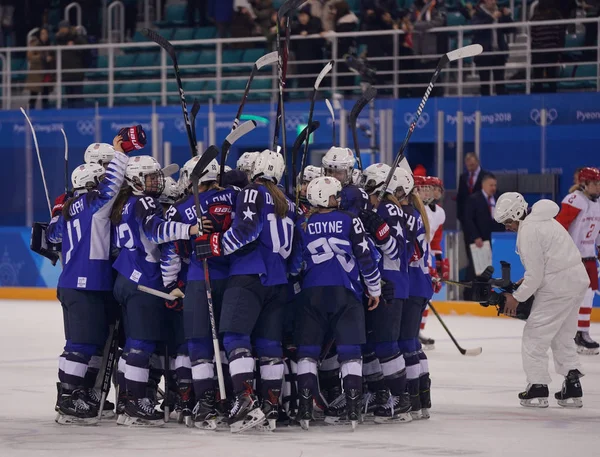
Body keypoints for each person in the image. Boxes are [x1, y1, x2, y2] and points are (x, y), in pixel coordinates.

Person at [194, 149, 297, 433]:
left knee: (236, 338)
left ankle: (245, 402)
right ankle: (271, 407)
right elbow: (296, 255)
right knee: (268, 347)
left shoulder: (253, 192)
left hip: (248, 274)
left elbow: (247, 230)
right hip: (278, 281)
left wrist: (214, 244)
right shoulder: (289, 203)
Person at [111, 156, 199, 426]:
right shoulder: (145, 202)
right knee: (142, 345)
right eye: (149, 177)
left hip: (124, 277)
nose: (156, 180)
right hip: (144, 283)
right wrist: (190, 228)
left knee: (132, 345)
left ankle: (126, 402)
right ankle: (137, 403)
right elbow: (157, 231)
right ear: (136, 179)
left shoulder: (123, 203)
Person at [46, 136, 129, 425]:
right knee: (80, 345)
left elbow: (51, 236)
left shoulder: (68, 208)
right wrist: (120, 154)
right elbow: (111, 188)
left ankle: (79, 393)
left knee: (88, 343)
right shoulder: (94, 204)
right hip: (86, 284)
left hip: (73, 284)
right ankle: (68, 398)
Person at [295, 176, 381, 430]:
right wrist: (374, 288)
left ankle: (304, 407)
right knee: (350, 351)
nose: (339, 199)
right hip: (346, 292)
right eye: (335, 195)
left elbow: (295, 264)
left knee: (307, 352)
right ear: (325, 197)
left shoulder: (303, 222)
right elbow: (366, 257)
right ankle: (354, 407)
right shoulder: (349, 220)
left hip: (311, 293)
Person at [161, 157, 239, 429]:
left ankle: (205, 403)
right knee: (230, 343)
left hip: (199, 278)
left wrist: (170, 284)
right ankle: (229, 398)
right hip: (233, 279)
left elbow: (172, 250)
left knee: (198, 344)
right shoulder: (236, 196)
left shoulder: (181, 208)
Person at [494, 192, 588, 408]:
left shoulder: (529, 230)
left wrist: (516, 297)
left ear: (518, 214)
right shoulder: (546, 221)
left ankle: (537, 387)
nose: (507, 227)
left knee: (534, 336)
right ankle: (572, 385)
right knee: (563, 334)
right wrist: (524, 282)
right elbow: (546, 264)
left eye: (508, 221)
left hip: (557, 286)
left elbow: (536, 275)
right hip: (576, 279)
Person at [555, 167, 600, 355]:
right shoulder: (574, 200)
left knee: (589, 295)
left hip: (589, 256)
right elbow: (559, 226)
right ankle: (571, 333)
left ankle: (582, 333)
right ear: (585, 184)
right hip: (573, 257)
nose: (598, 187)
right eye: (595, 183)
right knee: (573, 297)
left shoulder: (598, 203)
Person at [463, 173, 504, 290]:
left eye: (495, 185)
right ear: (483, 185)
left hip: (496, 239)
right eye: (491, 185)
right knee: (477, 269)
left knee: (493, 267)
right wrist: (475, 237)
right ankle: (471, 293)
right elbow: (468, 220)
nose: (494, 188)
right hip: (480, 240)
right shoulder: (473, 199)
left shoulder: (498, 198)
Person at [471, 0, 514, 96]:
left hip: (499, 52)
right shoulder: (477, 13)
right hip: (483, 54)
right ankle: (485, 108)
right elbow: (476, 28)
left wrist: (506, 16)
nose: (494, 2)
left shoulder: (499, 12)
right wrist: (491, 18)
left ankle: (502, 108)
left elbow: (510, 29)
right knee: (485, 84)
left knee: (500, 84)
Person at [530, 0, 565, 94]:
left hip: (540, 51)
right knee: (551, 78)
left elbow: (533, 35)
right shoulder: (556, 16)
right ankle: (552, 98)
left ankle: (537, 99)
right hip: (551, 51)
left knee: (538, 80)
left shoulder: (535, 17)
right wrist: (559, 50)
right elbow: (561, 35)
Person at [457, 153, 487, 227]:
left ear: (477, 162)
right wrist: (459, 215)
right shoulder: (463, 177)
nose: (469, 167)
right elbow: (460, 197)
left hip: (481, 216)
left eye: (472, 165)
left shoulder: (486, 176)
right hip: (466, 217)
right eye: (468, 165)